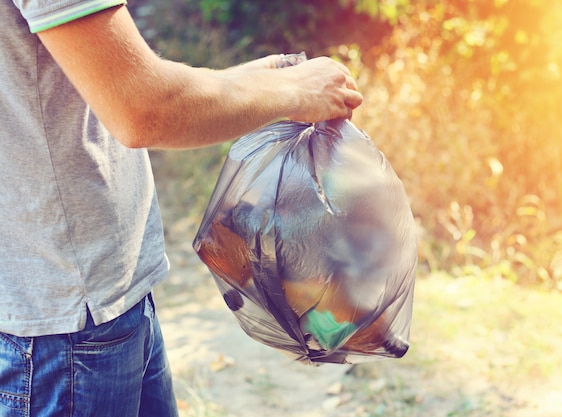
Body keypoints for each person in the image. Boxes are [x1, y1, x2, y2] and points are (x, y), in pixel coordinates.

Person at [0, 1, 363, 416]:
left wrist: (239, 82)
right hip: (66, 328)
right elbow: (143, 108)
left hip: (87, 301)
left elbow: (98, 80)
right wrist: (295, 91)